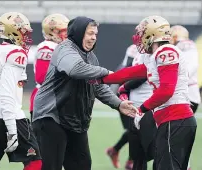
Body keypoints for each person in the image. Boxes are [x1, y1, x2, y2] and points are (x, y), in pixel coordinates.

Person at [32, 16, 137, 170]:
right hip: (51, 117)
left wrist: (118, 103)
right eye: (90, 33)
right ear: (78, 32)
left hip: (75, 121)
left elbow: (97, 85)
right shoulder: (64, 49)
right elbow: (75, 69)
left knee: (82, 166)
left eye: (95, 34)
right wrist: (106, 72)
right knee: (51, 167)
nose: (93, 37)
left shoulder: (90, 56)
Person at [93, 15, 197, 170]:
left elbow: (166, 91)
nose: (139, 39)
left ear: (152, 35)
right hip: (169, 121)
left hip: (175, 120)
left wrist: (142, 109)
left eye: (142, 34)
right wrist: (100, 79)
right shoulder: (155, 55)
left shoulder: (166, 51)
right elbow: (130, 73)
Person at [0, 12, 42, 170]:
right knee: (35, 162)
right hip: (8, 115)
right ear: (14, 31)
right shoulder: (16, 53)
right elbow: (6, 93)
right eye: (24, 31)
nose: (26, 36)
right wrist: (12, 130)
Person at [107, 52, 156, 170]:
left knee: (141, 139)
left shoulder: (158, 53)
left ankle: (117, 152)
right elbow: (130, 73)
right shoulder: (141, 53)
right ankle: (128, 158)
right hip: (130, 100)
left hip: (136, 99)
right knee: (139, 138)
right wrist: (123, 90)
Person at [170, 25, 201, 170]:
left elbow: (189, 68)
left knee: (174, 137)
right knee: (176, 136)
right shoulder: (182, 46)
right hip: (187, 95)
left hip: (186, 96)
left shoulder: (185, 45)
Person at [29, 13, 69, 120]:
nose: (66, 34)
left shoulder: (61, 47)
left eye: (66, 30)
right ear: (51, 32)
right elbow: (42, 77)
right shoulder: (48, 47)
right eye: (62, 31)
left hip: (57, 98)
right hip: (46, 99)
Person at [106, 44, 138, 170]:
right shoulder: (136, 49)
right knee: (136, 129)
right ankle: (131, 160)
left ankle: (116, 151)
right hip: (127, 94)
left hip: (133, 92)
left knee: (135, 129)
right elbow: (129, 71)